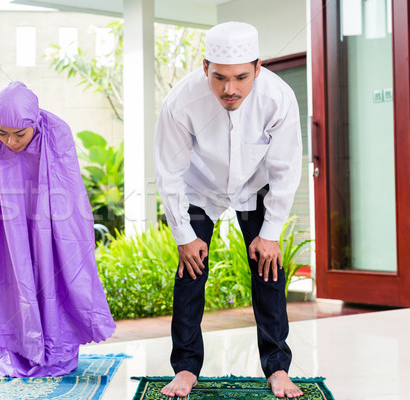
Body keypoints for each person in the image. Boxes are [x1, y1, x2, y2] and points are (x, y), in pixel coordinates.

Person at [154, 22, 304, 398]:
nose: (229, 89)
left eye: (240, 77)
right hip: (200, 188)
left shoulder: (278, 97)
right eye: (219, 77)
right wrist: (184, 236)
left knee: (268, 269)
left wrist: (270, 234)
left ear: (258, 68)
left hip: (256, 185)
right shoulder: (181, 101)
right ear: (205, 67)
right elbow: (168, 173)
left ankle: (278, 368)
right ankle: (186, 368)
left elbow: (286, 170)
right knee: (190, 274)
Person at [0, 81, 116, 377]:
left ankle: (56, 350)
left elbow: (68, 184)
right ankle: (16, 352)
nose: (11, 142)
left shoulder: (56, 131)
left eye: (20, 134)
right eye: (3, 133)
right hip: (5, 224)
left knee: (55, 275)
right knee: (10, 278)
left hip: (52, 219)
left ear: (34, 123)